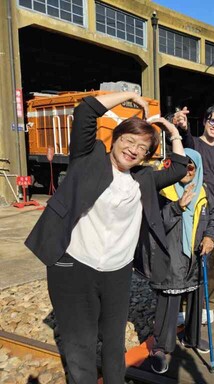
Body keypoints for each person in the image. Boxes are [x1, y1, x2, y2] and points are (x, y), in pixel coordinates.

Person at [25, 92, 188, 384]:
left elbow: (178, 168)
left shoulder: (143, 179)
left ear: (147, 155)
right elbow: (86, 110)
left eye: (142, 147)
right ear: (116, 138)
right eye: (129, 140)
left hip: (117, 271)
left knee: (114, 343)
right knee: (80, 343)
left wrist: (171, 130)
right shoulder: (87, 160)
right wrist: (130, 96)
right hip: (73, 264)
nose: (133, 149)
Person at [150, 149, 214, 374]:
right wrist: (177, 206)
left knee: (195, 296)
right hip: (170, 254)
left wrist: (212, 236)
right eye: (183, 166)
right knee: (169, 297)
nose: (187, 171)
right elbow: (155, 223)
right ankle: (161, 347)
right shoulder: (164, 190)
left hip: (197, 253)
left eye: (191, 167)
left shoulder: (205, 189)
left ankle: (192, 337)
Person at [172, 105, 214, 316]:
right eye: (212, 120)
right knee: (188, 259)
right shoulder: (194, 143)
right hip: (194, 208)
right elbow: (184, 141)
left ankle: (206, 303)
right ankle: (182, 307)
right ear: (205, 121)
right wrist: (182, 127)